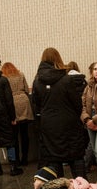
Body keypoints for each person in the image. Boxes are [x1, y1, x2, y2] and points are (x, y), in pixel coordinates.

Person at [32, 48, 88, 178]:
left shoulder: (37, 81)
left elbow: (36, 104)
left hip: (49, 125)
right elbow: (77, 104)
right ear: (58, 59)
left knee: (54, 160)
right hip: (69, 123)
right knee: (76, 158)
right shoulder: (66, 80)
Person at [2, 61, 34, 166]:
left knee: (14, 135)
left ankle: (16, 160)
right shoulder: (21, 74)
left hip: (12, 103)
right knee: (25, 134)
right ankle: (25, 158)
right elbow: (26, 88)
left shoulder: (4, 77)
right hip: (24, 101)